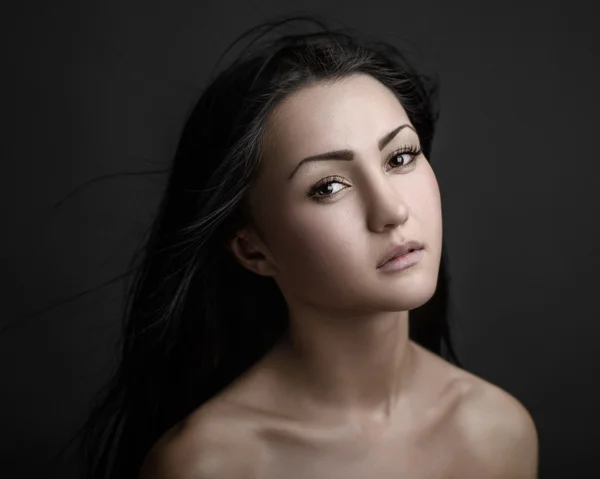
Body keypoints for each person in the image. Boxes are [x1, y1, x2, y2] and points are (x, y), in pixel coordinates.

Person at [76, 15, 539, 479]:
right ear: (253, 250)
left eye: (400, 157)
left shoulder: (496, 431)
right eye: (329, 187)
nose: (392, 211)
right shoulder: (208, 465)